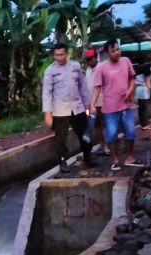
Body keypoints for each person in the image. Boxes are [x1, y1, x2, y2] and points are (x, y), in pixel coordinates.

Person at [89, 39, 144, 171]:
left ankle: (130, 157)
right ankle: (115, 159)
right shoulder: (102, 67)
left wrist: (130, 90)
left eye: (117, 49)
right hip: (110, 108)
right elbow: (97, 88)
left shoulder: (126, 61)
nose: (116, 52)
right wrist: (92, 105)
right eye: (113, 51)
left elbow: (132, 78)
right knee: (111, 134)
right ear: (108, 53)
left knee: (130, 131)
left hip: (126, 105)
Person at [42, 43, 95, 172]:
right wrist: (47, 113)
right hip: (60, 110)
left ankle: (88, 157)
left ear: (67, 54)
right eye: (56, 55)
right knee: (60, 139)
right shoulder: (50, 71)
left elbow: (82, 86)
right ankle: (62, 162)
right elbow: (47, 92)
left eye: (61, 54)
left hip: (77, 108)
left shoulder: (75, 66)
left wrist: (88, 103)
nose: (59, 57)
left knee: (84, 134)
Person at [84, 48, 109, 155]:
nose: (89, 61)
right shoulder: (88, 70)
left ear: (95, 58)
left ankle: (107, 146)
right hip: (92, 104)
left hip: (102, 102)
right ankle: (101, 145)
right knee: (96, 126)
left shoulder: (102, 67)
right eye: (87, 60)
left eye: (91, 59)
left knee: (104, 125)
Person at [134, 64, 151, 131]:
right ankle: (145, 124)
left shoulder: (136, 71)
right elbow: (148, 83)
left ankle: (142, 123)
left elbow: (135, 81)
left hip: (138, 89)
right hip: (144, 90)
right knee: (144, 108)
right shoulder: (146, 72)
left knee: (141, 108)